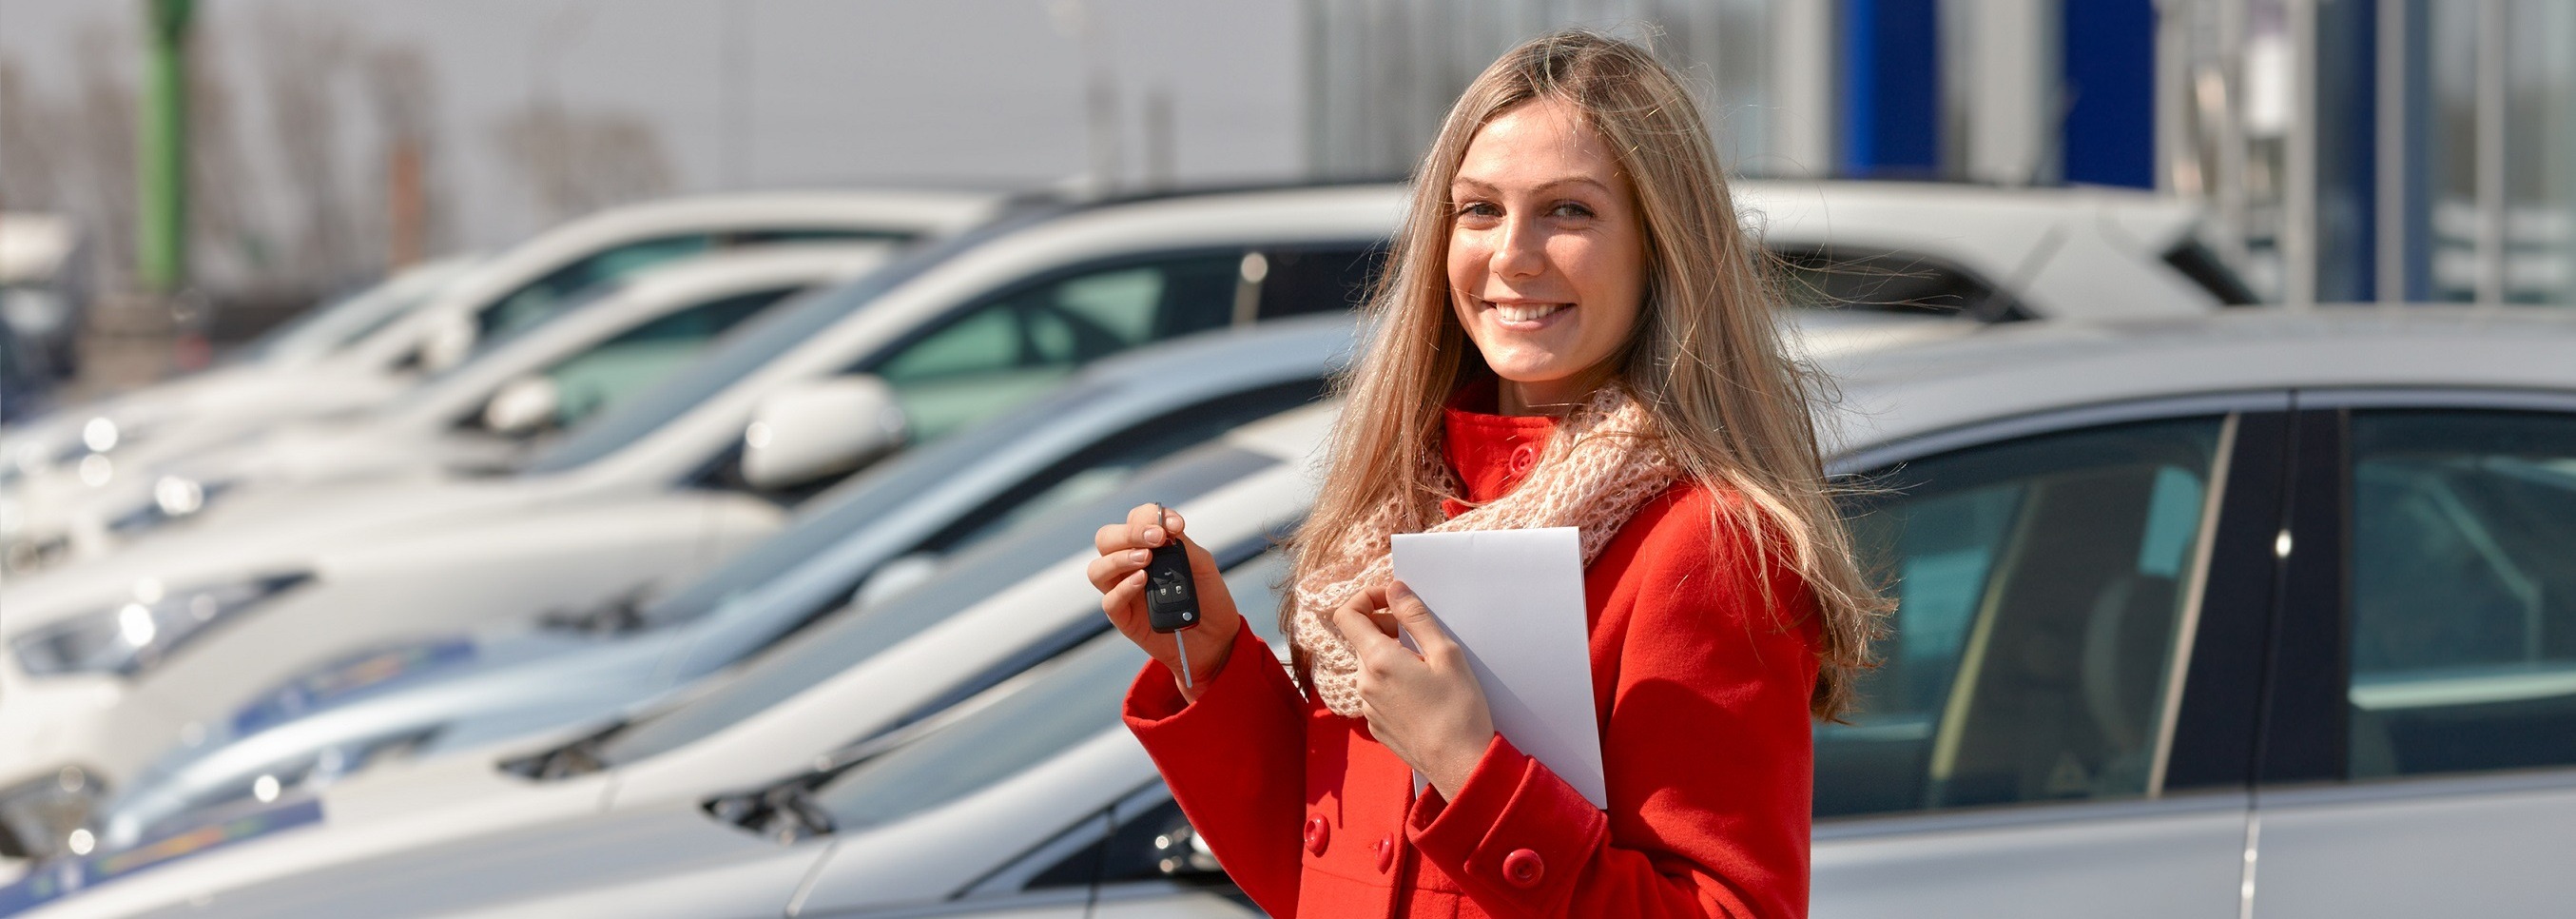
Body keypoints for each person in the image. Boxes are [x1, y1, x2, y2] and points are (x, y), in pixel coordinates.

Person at [1085, 29, 1885, 919]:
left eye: (1569, 211)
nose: (1512, 255)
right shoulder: (1400, 502)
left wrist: (1471, 770)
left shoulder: (1705, 541)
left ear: (1662, 245)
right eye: (1479, 210)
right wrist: (1210, 659)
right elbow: (1325, 885)